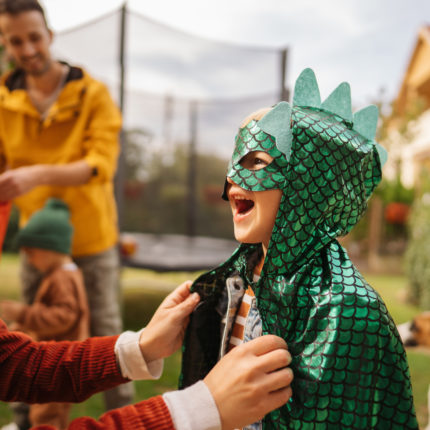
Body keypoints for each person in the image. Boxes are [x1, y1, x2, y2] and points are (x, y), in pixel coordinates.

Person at [180, 68, 419, 429]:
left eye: (257, 161)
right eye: (235, 162)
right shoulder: (235, 280)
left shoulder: (347, 310)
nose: (231, 181)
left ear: (309, 184)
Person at [0, 0, 133, 418]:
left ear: (50, 36)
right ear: (5, 44)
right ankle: (25, 422)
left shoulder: (93, 94)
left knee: (107, 332)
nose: (27, 48)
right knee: (32, 336)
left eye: (34, 37)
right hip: (37, 243)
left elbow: (100, 165)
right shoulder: (3, 100)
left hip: (91, 239)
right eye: (14, 40)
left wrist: (35, 175)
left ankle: (123, 415)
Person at [0, 198, 90, 429]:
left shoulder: (62, 278)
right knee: (48, 411)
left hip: (59, 362)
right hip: (60, 358)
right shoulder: (63, 274)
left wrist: (23, 313)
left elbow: (64, 317)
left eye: (31, 253)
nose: (29, 260)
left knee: (46, 415)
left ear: (51, 248)